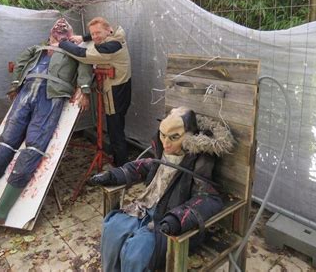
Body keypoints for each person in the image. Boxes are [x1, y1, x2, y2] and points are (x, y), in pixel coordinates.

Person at [0, 18, 93, 224]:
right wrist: (16, 83)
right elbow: (20, 63)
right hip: (26, 92)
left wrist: (84, 89)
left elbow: (85, 67)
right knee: (6, 141)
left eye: (65, 24)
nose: (61, 23)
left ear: (71, 34)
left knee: (34, 146)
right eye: (57, 23)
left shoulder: (75, 50)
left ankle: (1, 209)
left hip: (51, 96)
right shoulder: (37, 48)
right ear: (50, 32)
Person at [89, 107, 235, 271]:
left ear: (189, 136)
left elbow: (209, 197)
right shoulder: (162, 148)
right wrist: (113, 175)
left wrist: (177, 219)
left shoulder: (199, 160)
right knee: (112, 228)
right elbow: (144, 166)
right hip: (145, 209)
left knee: (135, 252)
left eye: (174, 137)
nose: (166, 143)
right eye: (163, 135)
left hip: (169, 222)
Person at [57, 17, 131, 166]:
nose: (95, 36)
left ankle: (121, 166)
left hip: (115, 93)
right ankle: (119, 159)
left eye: (98, 33)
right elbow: (97, 35)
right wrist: (83, 37)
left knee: (115, 130)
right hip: (121, 87)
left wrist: (62, 42)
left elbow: (82, 55)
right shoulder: (116, 34)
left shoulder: (111, 48)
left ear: (108, 30)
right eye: (93, 33)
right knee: (116, 127)